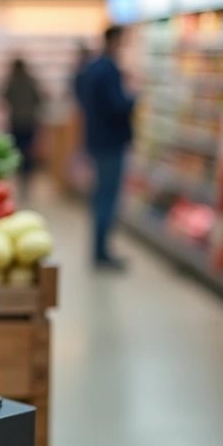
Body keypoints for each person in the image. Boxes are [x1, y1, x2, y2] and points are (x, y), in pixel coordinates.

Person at [76, 26, 136, 270]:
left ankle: (99, 250)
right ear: (115, 40)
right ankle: (102, 252)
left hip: (96, 139)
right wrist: (134, 98)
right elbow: (117, 105)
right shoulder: (109, 69)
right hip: (111, 142)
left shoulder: (91, 67)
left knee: (101, 196)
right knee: (107, 198)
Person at [2, 57, 44, 199]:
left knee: (17, 152)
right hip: (29, 122)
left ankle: (19, 180)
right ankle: (27, 182)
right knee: (28, 153)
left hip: (15, 121)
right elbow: (39, 98)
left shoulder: (11, 81)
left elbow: (4, 96)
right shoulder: (30, 81)